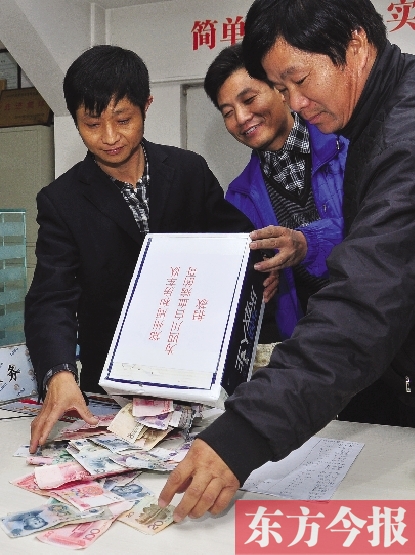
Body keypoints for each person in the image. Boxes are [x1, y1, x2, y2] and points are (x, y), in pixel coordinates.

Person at [159, 0, 415, 522]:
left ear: (355, 42)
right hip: (351, 369)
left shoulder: (396, 134)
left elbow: (368, 287)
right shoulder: (370, 119)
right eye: (284, 88)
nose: (294, 103)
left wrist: (246, 431)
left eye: (297, 81)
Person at [25, 45, 275, 453]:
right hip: (113, 390)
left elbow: (236, 240)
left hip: (197, 375)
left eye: (123, 119)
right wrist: (58, 372)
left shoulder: (188, 171)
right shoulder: (61, 200)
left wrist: (263, 265)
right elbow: (51, 296)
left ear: (146, 105)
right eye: (91, 124)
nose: (109, 137)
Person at [204, 43, 348, 342]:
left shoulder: (347, 147)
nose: (241, 118)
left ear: (281, 91)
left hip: (388, 334)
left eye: (249, 98)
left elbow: (382, 229)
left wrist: (308, 243)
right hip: (312, 352)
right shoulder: (238, 197)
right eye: (228, 112)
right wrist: (260, 280)